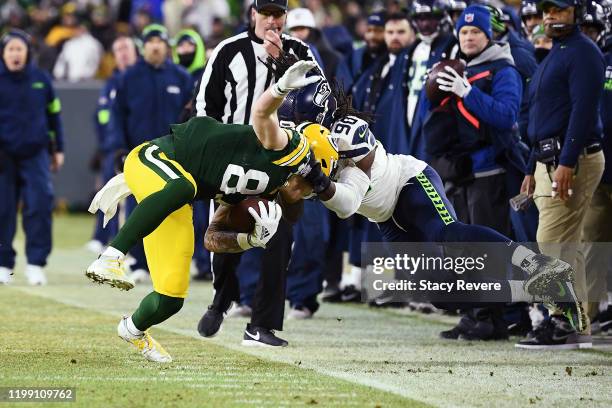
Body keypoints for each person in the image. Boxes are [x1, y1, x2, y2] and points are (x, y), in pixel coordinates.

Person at [279, 79, 586, 347]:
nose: (291, 131)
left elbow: (347, 204)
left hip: (408, 182)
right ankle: (530, 291)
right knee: (441, 293)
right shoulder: (305, 146)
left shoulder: (349, 134)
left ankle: (539, 267)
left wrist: (319, 182)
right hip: (385, 216)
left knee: (447, 234)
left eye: (295, 123)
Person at [86, 60, 326, 362]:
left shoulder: (266, 192)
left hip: (174, 193)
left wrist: (249, 241)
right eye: (309, 186)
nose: (306, 193)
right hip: (154, 157)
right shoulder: (286, 147)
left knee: (171, 297)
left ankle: (133, 329)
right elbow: (262, 113)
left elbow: (213, 237)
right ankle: (111, 256)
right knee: (183, 187)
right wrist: (280, 88)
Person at [194, 0, 324, 347]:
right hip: (234, 160)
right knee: (220, 240)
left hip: (281, 162)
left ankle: (261, 325)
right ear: (253, 13)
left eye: (278, 13)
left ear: (285, 16)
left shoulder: (300, 50)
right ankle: (223, 300)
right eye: (265, 12)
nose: (271, 20)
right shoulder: (228, 51)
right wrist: (214, 156)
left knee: (279, 237)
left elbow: (320, 101)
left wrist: (283, 63)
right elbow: (206, 109)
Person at [518, 0, 606, 349]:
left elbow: (584, 110)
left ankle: (560, 320)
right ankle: (576, 324)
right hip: (549, 158)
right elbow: (543, 117)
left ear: (577, 12)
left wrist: (568, 161)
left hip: (572, 158)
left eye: (559, 9)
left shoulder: (583, 52)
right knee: (567, 245)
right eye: (546, 10)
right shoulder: (557, 51)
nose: (550, 16)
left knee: (550, 242)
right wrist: (530, 166)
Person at [107, 24, 193, 283]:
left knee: (176, 210)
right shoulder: (127, 78)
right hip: (139, 157)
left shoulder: (181, 77)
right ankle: (139, 262)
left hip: (172, 157)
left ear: (167, 46)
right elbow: (116, 116)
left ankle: (170, 262)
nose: (155, 45)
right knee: (138, 209)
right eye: (150, 41)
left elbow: (191, 117)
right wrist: (119, 149)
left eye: (160, 41)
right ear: (143, 46)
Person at [0, 29, 64, 285]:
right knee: (2, 210)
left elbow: (54, 115)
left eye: (19, 49)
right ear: (3, 53)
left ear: (27, 52)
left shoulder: (41, 79)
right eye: (10, 49)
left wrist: (58, 148)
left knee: (39, 206)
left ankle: (36, 264)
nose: (15, 54)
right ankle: (3, 264)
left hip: (36, 153)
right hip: (3, 155)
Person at [86, 35, 138, 255]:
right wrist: (106, 143)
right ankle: (102, 236)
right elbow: (101, 116)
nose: (123, 53)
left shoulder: (139, 79)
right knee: (108, 194)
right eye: (118, 50)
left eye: (126, 48)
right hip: (113, 149)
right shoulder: (111, 83)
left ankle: (128, 245)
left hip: (136, 147)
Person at [336, 12, 387, 93]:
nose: (372, 35)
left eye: (378, 31)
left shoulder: (395, 59)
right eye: (369, 30)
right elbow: (341, 91)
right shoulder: (352, 58)